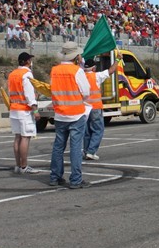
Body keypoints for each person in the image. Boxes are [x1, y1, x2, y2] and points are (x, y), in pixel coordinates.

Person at [49, 41, 91, 189]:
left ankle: (55, 176)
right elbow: (86, 92)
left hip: (60, 113)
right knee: (75, 147)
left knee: (58, 147)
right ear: (76, 56)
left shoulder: (54, 70)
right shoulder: (76, 71)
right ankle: (76, 179)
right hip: (76, 114)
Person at [83, 57, 121, 161]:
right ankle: (91, 151)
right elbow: (111, 70)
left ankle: (86, 151)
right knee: (98, 130)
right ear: (94, 68)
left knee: (87, 131)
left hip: (84, 109)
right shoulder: (96, 76)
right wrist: (117, 59)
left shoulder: (80, 77)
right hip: (95, 107)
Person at [7, 52, 40, 174]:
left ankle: (17, 165)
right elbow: (29, 94)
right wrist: (35, 110)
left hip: (14, 109)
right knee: (25, 137)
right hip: (24, 110)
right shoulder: (26, 74)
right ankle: (24, 166)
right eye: (30, 60)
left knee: (17, 137)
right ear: (27, 61)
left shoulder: (12, 74)